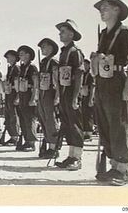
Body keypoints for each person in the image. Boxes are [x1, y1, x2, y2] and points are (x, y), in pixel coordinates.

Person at [91, 0, 128, 185]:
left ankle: (123, 170)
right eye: (101, 8)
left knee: (118, 124)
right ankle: (113, 165)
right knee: (105, 124)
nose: (102, 11)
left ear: (117, 9)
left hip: (117, 81)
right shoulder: (104, 34)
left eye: (106, 7)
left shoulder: (125, 32)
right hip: (102, 82)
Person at [54, 19, 84, 171]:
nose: (60, 33)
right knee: (67, 124)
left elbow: (79, 75)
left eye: (63, 31)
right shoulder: (63, 51)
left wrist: (75, 97)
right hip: (64, 93)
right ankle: (71, 156)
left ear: (71, 34)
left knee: (75, 124)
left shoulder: (75, 52)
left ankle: (77, 158)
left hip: (72, 93)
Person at [37, 38, 60, 158]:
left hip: (50, 93)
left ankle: (54, 147)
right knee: (43, 119)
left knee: (51, 120)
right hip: (42, 93)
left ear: (51, 48)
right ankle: (48, 143)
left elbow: (57, 80)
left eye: (44, 47)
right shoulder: (43, 62)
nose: (42, 49)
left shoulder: (53, 62)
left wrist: (57, 96)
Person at [16, 45, 39, 151]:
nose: (20, 55)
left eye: (22, 53)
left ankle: (31, 142)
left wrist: (33, 98)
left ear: (28, 55)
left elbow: (35, 84)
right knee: (23, 119)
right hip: (22, 94)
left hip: (29, 94)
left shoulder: (32, 67)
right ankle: (26, 140)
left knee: (30, 119)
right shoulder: (22, 67)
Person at [2, 50, 20, 146]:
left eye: (9, 57)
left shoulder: (16, 68)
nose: (8, 59)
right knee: (9, 115)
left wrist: (17, 97)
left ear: (14, 57)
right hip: (9, 93)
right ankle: (12, 135)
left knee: (14, 116)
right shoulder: (10, 68)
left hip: (14, 92)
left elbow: (18, 84)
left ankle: (15, 136)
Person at [80, 59, 95, 142]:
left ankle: (88, 134)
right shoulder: (82, 74)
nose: (84, 66)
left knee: (88, 115)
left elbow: (92, 87)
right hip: (82, 96)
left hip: (88, 96)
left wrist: (91, 99)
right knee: (83, 114)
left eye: (86, 65)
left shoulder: (90, 75)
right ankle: (84, 132)